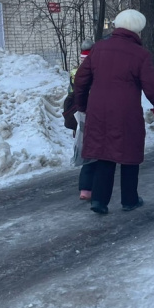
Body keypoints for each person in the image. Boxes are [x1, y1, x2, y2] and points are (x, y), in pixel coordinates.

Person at [73, 9, 154, 214]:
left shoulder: (99, 48)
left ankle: (99, 200)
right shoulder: (140, 55)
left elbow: (80, 79)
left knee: (104, 154)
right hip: (126, 113)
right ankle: (129, 199)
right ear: (137, 30)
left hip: (98, 111)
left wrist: (82, 105)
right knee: (129, 155)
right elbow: (153, 86)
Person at [63, 40, 95, 200]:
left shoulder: (75, 72)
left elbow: (71, 94)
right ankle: (92, 187)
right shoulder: (96, 70)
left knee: (85, 150)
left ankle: (84, 188)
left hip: (79, 115)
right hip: (94, 114)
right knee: (97, 152)